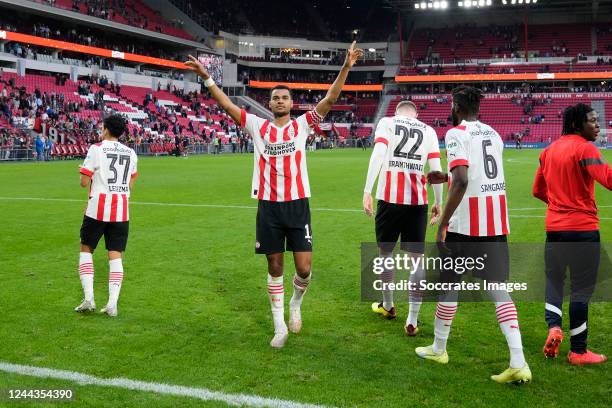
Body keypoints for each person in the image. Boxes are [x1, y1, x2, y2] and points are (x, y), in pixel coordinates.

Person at [184, 41, 364, 348]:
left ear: (292, 103)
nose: (279, 101)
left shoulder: (303, 125)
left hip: (297, 205)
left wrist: (346, 66)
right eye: (275, 98)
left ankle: (295, 303)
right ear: (269, 104)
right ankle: (279, 325)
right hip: (268, 207)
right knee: (275, 266)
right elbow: (228, 106)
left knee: (304, 268)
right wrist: (207, 78)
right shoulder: (257, 127)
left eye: (284, 97)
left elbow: (331, 99)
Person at [419, 86, 531, 384]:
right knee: (498, 290)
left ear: (456, 105)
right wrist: (446, 176)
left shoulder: (456, 133)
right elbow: (478, 173)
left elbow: (463, 180)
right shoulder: (493, 134)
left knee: (449, 284)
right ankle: (519, 361)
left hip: (466, 225)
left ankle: (439, 349)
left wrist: (443, 222)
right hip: (494, 223)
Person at [532, 103, 611, 365]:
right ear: (577, 124)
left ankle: (554, 327)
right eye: (592, 120)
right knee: (581, 289)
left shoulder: (548, 150)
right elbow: (608, 180)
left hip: (555, 230)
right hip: (583, 230)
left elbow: (537, 190)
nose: (597, 125)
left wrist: (558, 206)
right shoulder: (585, 148)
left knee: (554, 282)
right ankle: (578, 351)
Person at [363, 100, 443, 336]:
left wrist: (368, 189)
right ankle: (412, 320)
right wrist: (438, 202)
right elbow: (436, 168)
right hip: (417, 202)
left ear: (396, 111)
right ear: (416, 114)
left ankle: (388, 305)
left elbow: (378, 153)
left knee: (385, 253)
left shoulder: (387, 122)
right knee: (416, 259)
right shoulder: (428, 130)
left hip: (389, 198)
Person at [74, 114, 138, 317]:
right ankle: (112, 304)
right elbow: (130, 185)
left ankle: (89, 299)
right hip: (121, 210)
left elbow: (84, 182)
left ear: (106, 129)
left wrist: (84, 173)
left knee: (86, 249)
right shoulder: (131, 153)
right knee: (115, 255)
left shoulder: (96, 149)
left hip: (97, 209)